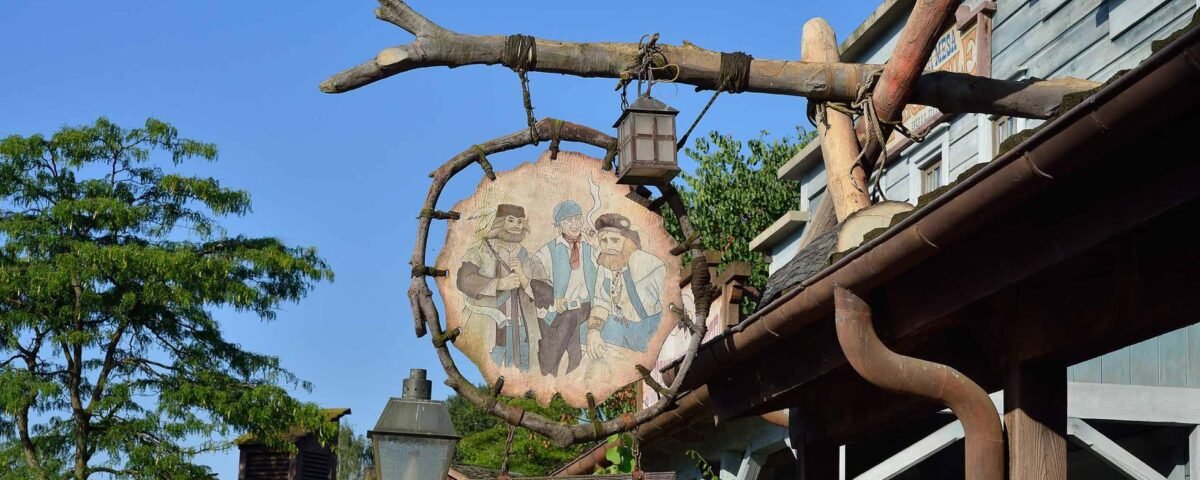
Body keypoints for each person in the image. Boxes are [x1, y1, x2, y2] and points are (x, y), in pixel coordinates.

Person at [456, 204, 552, 372]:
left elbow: (548, 293)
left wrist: (524, 279)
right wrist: (500, 283)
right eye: (511, 220)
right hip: (490, 326)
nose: (516, 225)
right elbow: (464, 280)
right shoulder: (480, 252)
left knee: (522, 376)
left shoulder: (530, 259)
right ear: (500, 222)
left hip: (524, 330)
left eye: (520, 221)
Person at [584, 213, 666, 358]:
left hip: (649, 328)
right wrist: (594, 332)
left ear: (627, 241)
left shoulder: (651, 266)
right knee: (583, 334)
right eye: (604, 241)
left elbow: (668, 307)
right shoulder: (605, 265)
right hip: (621, 326)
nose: (608, 246)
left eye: (615, 240)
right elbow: (600, 302)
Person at [533, 200, 598, 376]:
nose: (574, 224)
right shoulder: (547, 251)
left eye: (578, 219)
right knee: (555, 352)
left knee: (576, 354)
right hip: (558, 310)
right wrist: (553, 296)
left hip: (585, 309)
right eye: (568, 220)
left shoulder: (589, 247)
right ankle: (551, 378)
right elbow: (535, 280)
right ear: (559, 224)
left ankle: (560, 377)